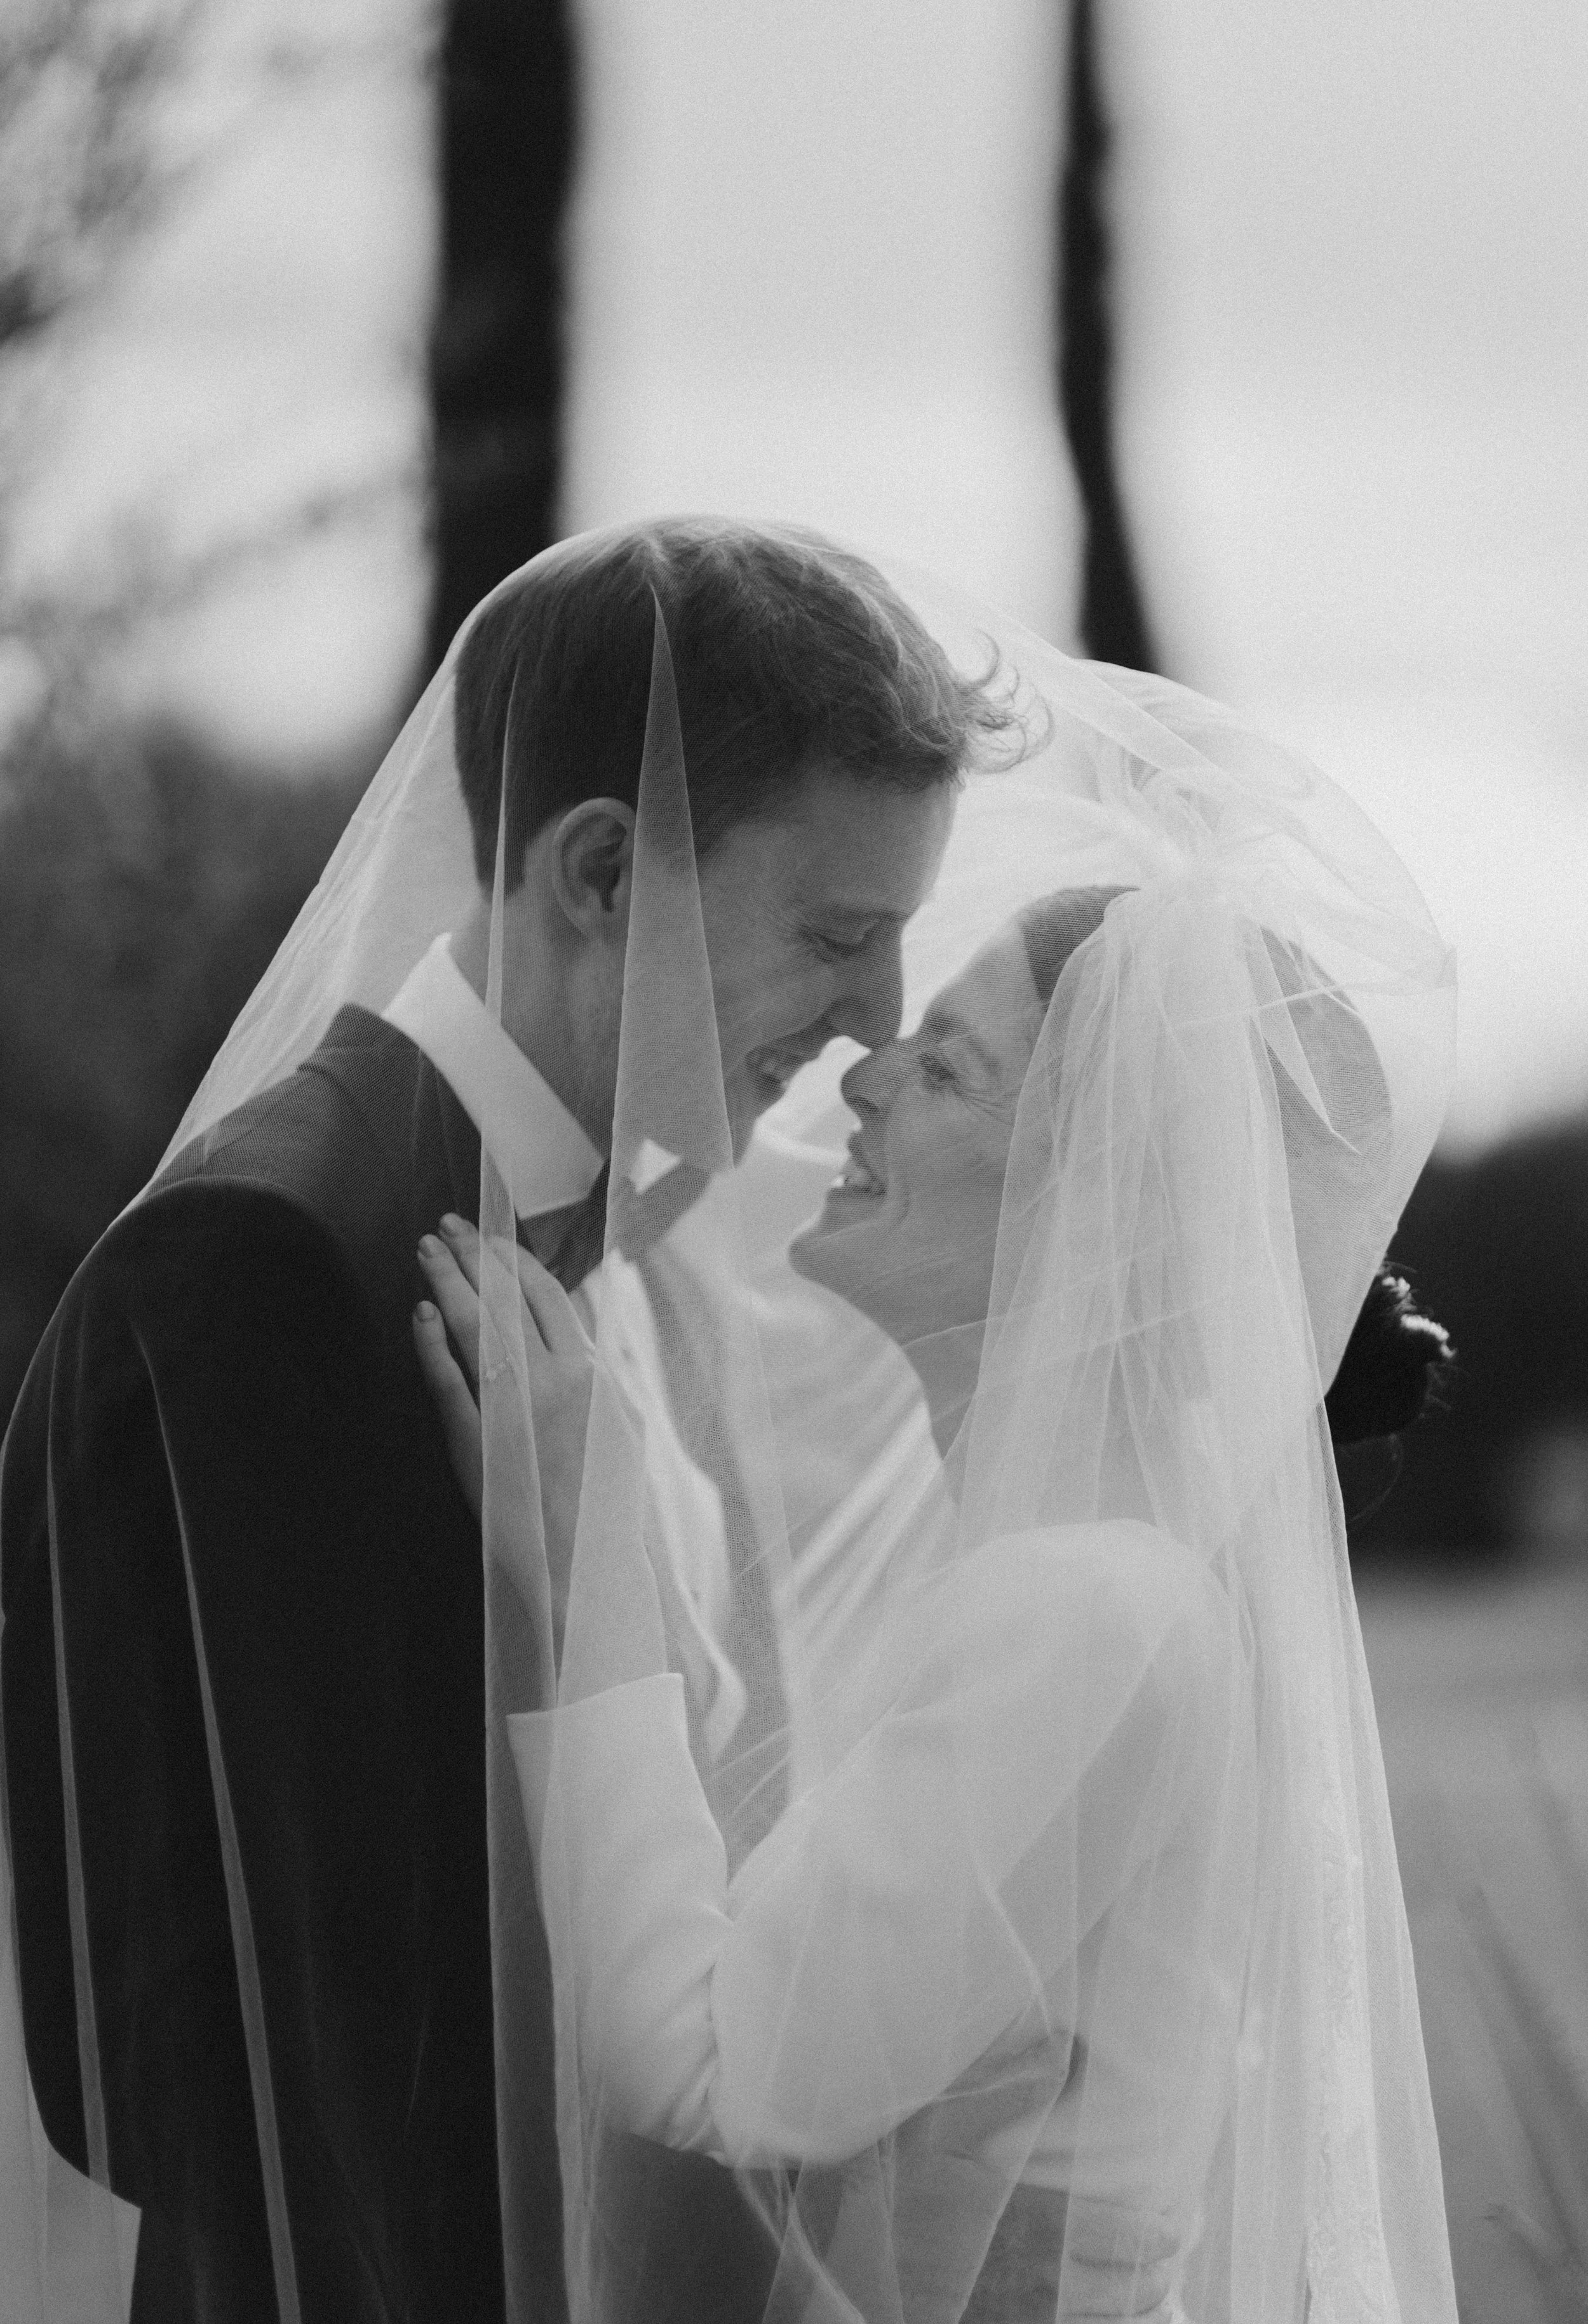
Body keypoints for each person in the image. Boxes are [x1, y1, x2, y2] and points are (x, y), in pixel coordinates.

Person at [403, 562, 1462, 2322]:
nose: (868, 1068)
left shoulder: (1084, 1609)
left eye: (950, 1065)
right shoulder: (1059, 1569)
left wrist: (571, 1540)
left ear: (1086, 1209)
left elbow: (713, 2072)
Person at [0, 521, 1009, 2323]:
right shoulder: (270, 1264)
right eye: (837, 938)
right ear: (600, 866)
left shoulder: (658, 1249)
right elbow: (196, 2066)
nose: (874, 1024)